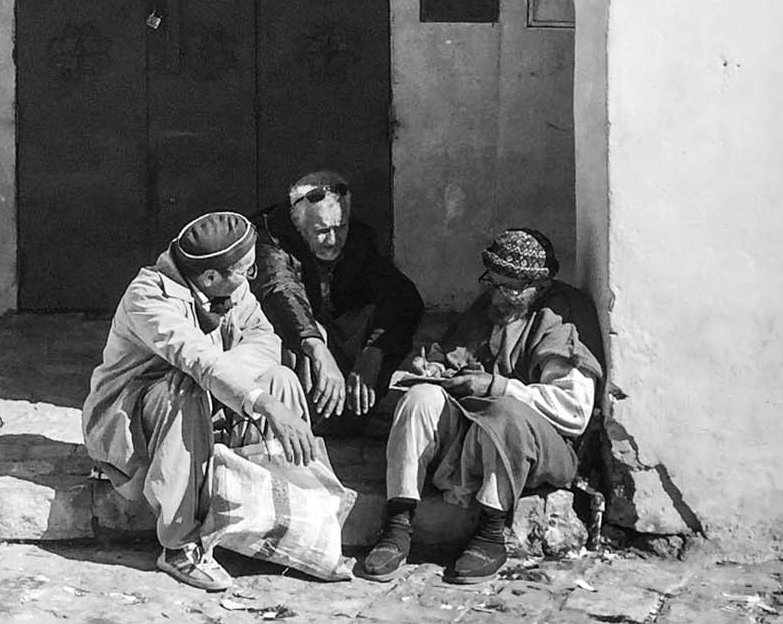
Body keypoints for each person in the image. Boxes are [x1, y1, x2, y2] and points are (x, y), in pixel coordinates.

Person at [83, 209, 320, 593]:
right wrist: (256, 401)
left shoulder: (231, 286)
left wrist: (242, 386)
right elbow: (197, 360)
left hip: (207, 405)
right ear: (210, 277)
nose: (250, 278)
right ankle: (178, 544)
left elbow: (265, 340)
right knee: (186, 386)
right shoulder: (147, 297)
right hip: (136, 424)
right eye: (245, 270)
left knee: (281, 378)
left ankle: (299, 514)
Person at [361, 227, 603, 585]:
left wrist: (498, 386)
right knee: (420, 399)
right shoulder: (491, 306)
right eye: (494, 282)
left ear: (538, 285)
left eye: (511, 287)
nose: (499, 294)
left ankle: (491, 533)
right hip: (472, 427)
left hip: (536, 444)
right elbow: (455, 352)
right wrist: (434, 368)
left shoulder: (564, 319)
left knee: (504, 412)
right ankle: (397, 522)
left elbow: (574, 412)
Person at [251, 168, 425, 431]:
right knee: (304, 339)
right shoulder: (271, 238)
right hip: (295, 343)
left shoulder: (359, 238)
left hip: (341, 344)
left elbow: (401, 295)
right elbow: (281, 292)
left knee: (382, 323)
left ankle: (353, 415)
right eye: (321, 231)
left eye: (340, 228)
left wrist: (373, 352)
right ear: (299, 224)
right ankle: (309, 421)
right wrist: (316, 346)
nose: (333, 240)